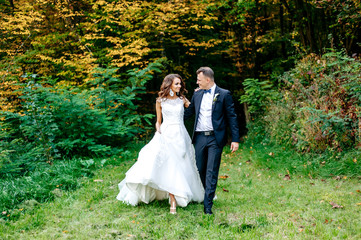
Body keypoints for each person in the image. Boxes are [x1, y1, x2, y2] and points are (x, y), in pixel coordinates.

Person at [116, 74, 204, 214]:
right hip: (166, 134)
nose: (179, 86)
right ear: (169, 85)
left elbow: (194, 108)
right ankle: (173, 200)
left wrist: (198, 94)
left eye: (180, 84)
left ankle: (183, 193)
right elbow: (158, 120)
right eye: (176, 84)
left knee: (183, 164)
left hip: (181, 135)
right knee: (169, 165)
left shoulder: (182, 99)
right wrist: (158, 129)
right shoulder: (160, 101)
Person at [184, 66, 240, 215]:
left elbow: (232, 117)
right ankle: (209, 192)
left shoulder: (224, 94)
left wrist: (235, 139)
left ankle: (207, 206)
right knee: (200, 169)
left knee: (211, 171)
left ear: (208, 80)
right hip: (200, 137)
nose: (197, 82)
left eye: (199, 80)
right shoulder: (197, 95)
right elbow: (188, 113)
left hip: (216, 138)